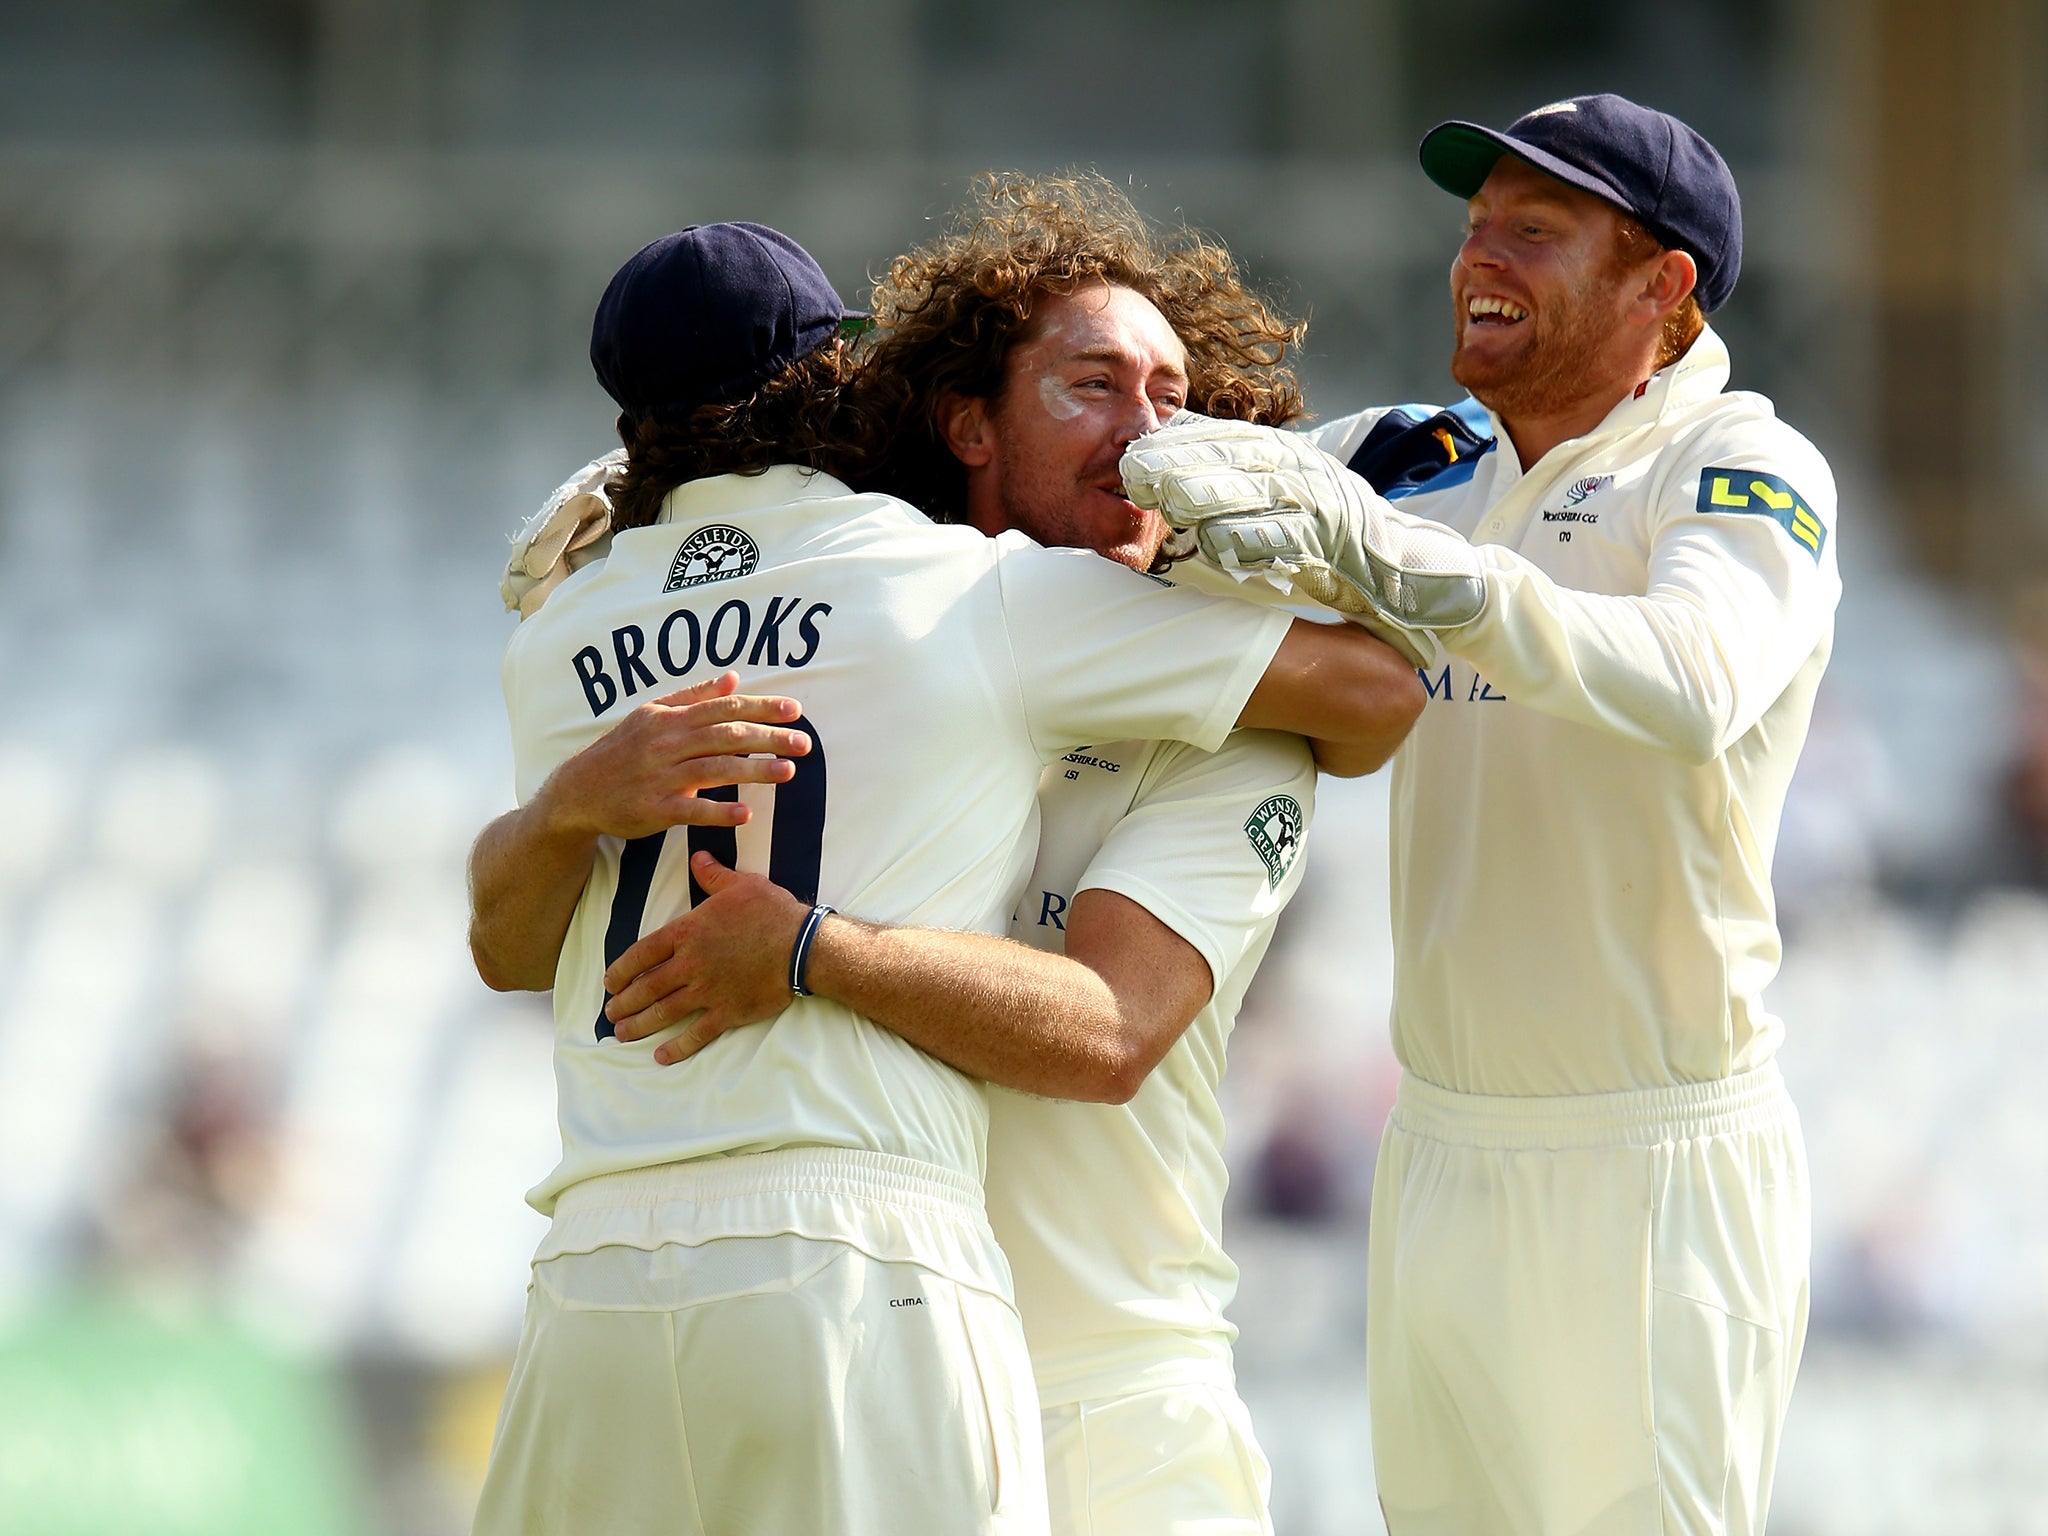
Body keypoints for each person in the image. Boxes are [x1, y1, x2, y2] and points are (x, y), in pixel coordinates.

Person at [468, 215, 1418, 1536]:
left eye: (1174, 402)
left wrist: (811, 947)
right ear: (950, 417)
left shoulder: (570, 623)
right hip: (879, 1285)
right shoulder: (970, 596)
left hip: (1104, 1396)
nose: (1149, 436)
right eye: (1092, 386)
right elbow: (1379, 682)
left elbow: (1110, 1029)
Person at [1125, 94, 1838, 1534]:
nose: (1479, 259)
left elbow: (1696, 678)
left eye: (1535, 230)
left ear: (1665, 288)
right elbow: (1138, 518)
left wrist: (1412, 573)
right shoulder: (1413, 461)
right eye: (1473, 228)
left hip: (1651, 1163)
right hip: (1442, 1147)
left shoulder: (1736, 468)